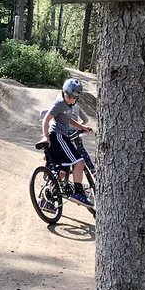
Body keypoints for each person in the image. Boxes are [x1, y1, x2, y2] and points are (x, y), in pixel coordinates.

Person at [41, 77, 94, 207]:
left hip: (60, 137)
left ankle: (46, 202)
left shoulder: (69, 105)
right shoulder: (59, 103)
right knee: (80, 162)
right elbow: (46, 120)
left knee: (61, 171)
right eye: (69, 96)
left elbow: (68, 120)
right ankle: (79, 193)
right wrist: (45, 137)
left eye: (74, 98)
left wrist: (82, 127)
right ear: (64, 92)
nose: (71, 99)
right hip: (57, 136)